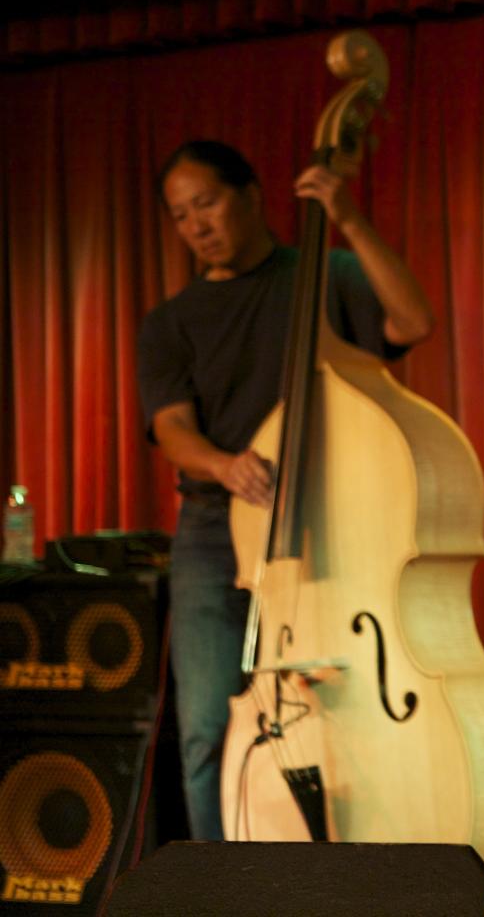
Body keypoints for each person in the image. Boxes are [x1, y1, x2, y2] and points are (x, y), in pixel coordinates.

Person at [135, 140, 433, 840]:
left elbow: (413, 322)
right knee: (207, 724)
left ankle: (347, 872)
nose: (196, 226)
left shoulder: (321, 276)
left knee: (345, 714)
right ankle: (221, 883)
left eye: (205, 203)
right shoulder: (170, 323)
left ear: (251, 193)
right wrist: (221, 463)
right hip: (215, 529)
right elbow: (172, 428)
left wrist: (349, 218)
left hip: (324, 521)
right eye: (180, 216)